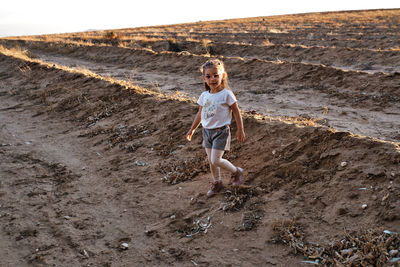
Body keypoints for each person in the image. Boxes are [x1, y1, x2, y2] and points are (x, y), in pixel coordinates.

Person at [186, 59, 245, 198]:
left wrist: (240, 129)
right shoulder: (204, 96)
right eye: (208, 76)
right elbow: (200, 113)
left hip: (221, 132)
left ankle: (237, 171)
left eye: (216, 75)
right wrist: (192, 129)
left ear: (223, 75)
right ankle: (217, 183)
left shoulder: (226, 94)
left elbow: (236, 112)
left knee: (216, 160)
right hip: (207, 132)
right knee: (211, 161)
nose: (212, 78)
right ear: (204, 78)